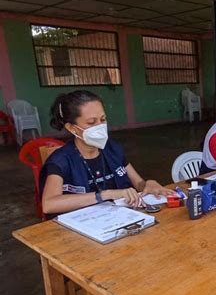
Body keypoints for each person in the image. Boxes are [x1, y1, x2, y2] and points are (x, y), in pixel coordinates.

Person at [40, 90, 175, 217]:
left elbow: (138, 183)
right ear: (72, 128)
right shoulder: (61, 161)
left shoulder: (112, 149)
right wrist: (105, 195)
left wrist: (147, 184)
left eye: (103, 119)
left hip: (120, 219)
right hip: (83, 227)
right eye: (91, 122)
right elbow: (49, 204)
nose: (100, 126)